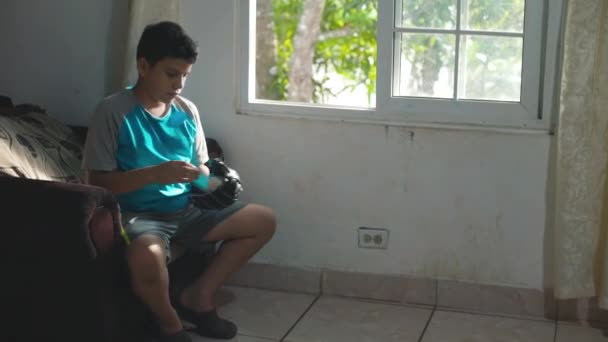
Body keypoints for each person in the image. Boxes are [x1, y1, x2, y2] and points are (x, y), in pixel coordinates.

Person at [83, 21, 276, 342]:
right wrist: (154, 174)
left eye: (185, 75)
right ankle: (169, 325)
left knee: (263, 220)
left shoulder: (187, 111)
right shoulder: (113, 111)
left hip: (187, 210)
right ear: (144, 66)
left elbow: (202, 171)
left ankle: (198, 298)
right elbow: (97, 183)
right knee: (147, 256)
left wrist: (217, 182)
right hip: (139, 215)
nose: (180, 84)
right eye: (172, 74)